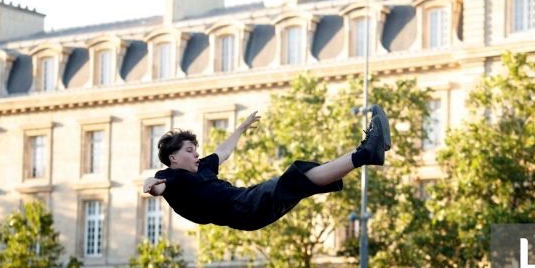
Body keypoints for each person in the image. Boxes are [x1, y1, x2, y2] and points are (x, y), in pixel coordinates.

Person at [142, 106, 391, 231]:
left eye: (195, 149)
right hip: (242, 208)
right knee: (296, 177)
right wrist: (150, 183)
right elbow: (158, 188)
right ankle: (365, 152)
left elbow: (223, 151)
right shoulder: (171, 178)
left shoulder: (202, 168)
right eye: (189, 151)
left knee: (303, 179)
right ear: (173, 158)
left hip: (248, 202)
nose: (196, 154)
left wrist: (241, 128)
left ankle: (367, 152)